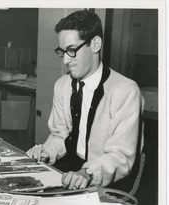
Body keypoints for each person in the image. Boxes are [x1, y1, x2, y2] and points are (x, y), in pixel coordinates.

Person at [27, 10, 144, 190]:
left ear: (95, 44)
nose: (66, 60)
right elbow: (60, 135)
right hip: (68, 170)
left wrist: (87, 173)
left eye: (72, 50)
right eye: (62, 51)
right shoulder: (62, 85)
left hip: (102, 180)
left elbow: (120, 157)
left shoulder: (125, 91)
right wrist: (46, 151)